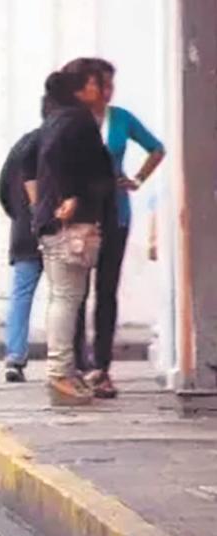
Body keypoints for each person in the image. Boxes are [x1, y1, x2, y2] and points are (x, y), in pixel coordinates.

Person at [62, 58, 166, 399]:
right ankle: (76, 363)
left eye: (109, 85)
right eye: (101, 84)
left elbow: (156, 148)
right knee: (77, 292)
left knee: (106, 290)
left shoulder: (121, 118)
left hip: (116, 212)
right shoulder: (73, 120)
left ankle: (102, 366)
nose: (107, 92)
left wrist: (137, 179)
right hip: (82, 213)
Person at [25, 66, 115, 405]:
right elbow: (64, 160)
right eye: (94, 83)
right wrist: (71, 195)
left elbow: (30, 159)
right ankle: (59, 372)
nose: (101, 89)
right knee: (66, 297)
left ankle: (64, 370)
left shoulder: (53, 119)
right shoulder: (77, 120)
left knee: (65, 296)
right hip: (71, 224)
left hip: (55, 221)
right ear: (79, 89)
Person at [0, 99, 51, 382]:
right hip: (56, 228)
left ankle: (14, 357)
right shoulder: (60, 144)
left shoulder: (22, 144)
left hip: (24, 231)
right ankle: (67, 358)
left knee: (21, 294)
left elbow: (2, 188)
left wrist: (20, 215)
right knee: (65, 295)